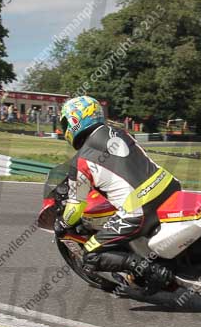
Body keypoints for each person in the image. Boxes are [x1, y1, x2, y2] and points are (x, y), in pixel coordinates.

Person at [57, 96, 180, 294]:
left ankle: (149, 268)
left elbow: (75, 206)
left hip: (140, 209)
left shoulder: (80, 161)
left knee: (91, 254)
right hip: (170, 186)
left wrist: (63, 224)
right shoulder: (123, 133)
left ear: (75, 121)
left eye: (65, 123)